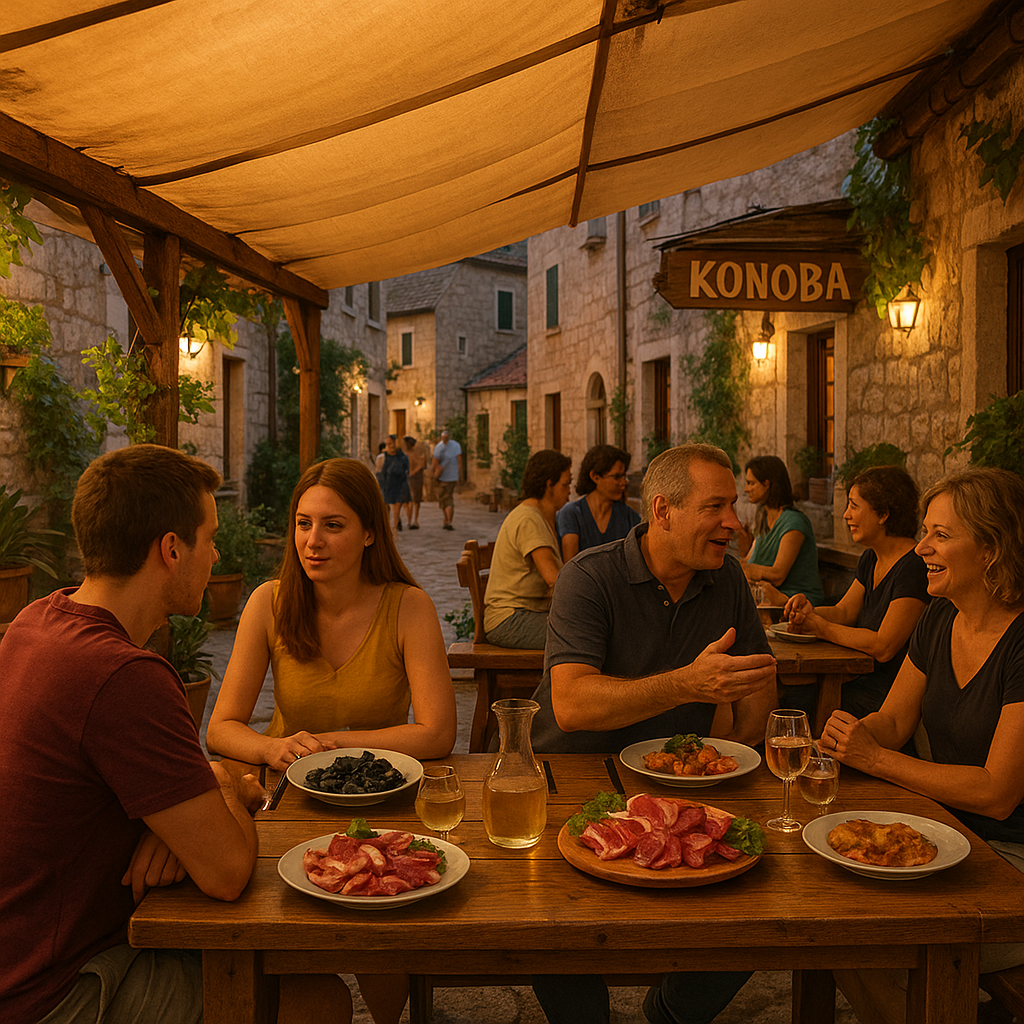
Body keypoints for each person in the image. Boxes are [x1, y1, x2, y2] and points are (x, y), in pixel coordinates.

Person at [0, 444, 262, 1024]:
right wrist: (220, 781)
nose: (216, 555)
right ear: (171, 549)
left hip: (19, 953)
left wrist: (174, 821)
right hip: (50, 993)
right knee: (312, 996)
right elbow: (226, 871)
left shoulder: (35, 621)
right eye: (210, 537)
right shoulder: (123, 675)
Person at [530, 443, 778, 1024]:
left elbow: (758, 678)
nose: (733, 524)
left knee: (760, 904)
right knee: (550, 919)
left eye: (733, 506)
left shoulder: (727, 578)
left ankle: (670, 1011)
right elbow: (569, 704)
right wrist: (686, 685)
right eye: (715, 507)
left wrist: (739, 763)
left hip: (680, 788)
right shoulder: (588, 576)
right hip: (569, 778)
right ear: (663, 511)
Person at [206, 457, 458, 1024]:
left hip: (382, 803)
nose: (311, 541)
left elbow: (439, 732)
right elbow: (222, 728)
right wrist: (273, 749)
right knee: (286, 934)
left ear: (370, 532)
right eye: (302, 523)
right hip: (288, 801)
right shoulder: (269, 602)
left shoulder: (406, 605)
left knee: (382, 923)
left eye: (332, 525)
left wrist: (338, 742)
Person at [823, 467, 1024, 976]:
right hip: (953, 832)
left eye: (941, 535)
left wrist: (877, 759)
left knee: (874, 944)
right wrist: (853, 735)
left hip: (1013, 854)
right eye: (925, 532)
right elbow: (893, 718)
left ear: (991, 549)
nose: (920, 549)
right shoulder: (941, 616)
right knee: (825, 894)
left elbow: (997, 792)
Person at [783, 465, 930, 718]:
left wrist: (820, 627)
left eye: (853, 505)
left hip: (890, 694)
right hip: (858, 677)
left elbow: (884, 645)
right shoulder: (870, 558)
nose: (845, 515)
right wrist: (809, 613)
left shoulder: (914, 566)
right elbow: (845, 610)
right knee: (788, 696)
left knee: (799, 706)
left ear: (883, 514)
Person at [484, 449, 572, 650]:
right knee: (581, 634)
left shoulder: (541, 517)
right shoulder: (528, 518)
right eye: (565, 485)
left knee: (588, 629)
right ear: (549, 485)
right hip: (510, 620)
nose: (569, 491)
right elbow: (553, 578)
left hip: (527, 614)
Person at [739, 454, 824, 606]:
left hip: (797, 600)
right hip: (767, 595)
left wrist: (746, 568)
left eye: (751, 483)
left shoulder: (794, 521)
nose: (746, 489)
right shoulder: (763, 518)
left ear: (767, 484)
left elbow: (778, 574)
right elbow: (749, 561)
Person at [556, 443, 640, 561]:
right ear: (595, 477)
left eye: (623, 476)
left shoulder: (630, 517)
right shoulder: (572, 514)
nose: (623, 482)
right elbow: (571, 565)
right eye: (616, 477)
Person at [432, 427, 463, 531]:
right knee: (445, 499)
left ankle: (448, 520)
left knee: (447, 498)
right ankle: (446, 519)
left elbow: (435, 462)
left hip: (449, 477)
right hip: (444, 477)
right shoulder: (440, 447)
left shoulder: (449, 446)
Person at [379, 433, 409, 532]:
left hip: (398, 484)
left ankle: (395, 529)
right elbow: (379, 472)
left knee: (396, 508)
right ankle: (387, 528)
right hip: (386, 485)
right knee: (385, 508)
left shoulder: (403, 457)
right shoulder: (382, 457)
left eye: (391, 444)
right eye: (387, 444)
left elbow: (406, 471)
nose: (389, 446)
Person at [404, 435, 425, 529]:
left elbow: (421, 465)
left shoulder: (414, 453)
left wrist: (412, 473)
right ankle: (411, 520)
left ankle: (413, 521)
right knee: (411, 501)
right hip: (411, 478)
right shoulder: (408, 454)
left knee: (414, 500)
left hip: (415, 478)